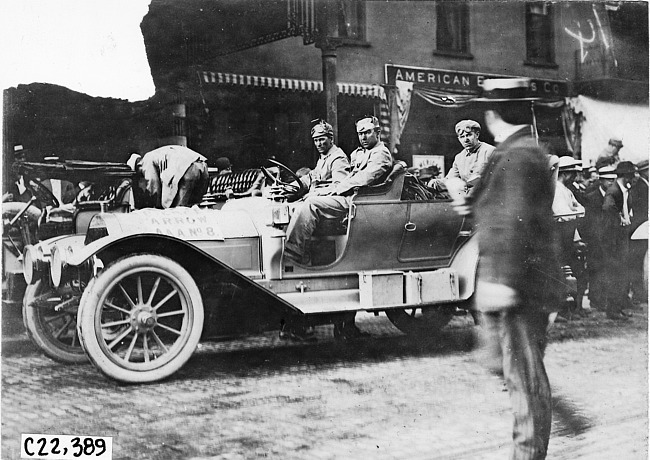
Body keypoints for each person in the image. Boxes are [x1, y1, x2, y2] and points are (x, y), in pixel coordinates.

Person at [450, 78, 560, 460]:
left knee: (523, 381)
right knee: (508, 368)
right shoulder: (516, 151)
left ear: (492, 114)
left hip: (517, 286)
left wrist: (505, 283)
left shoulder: (519, 154)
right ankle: (556, 418)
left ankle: (530, 452)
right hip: (510, 282)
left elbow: (517, 222)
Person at [284, 115, 392, 265]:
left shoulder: (381, 154)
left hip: (359, 201)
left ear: (378, 132)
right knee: (302, 203)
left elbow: (365, 178)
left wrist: (333, 190)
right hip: (352, 198)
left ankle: (291, 255)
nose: (363, 137)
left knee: (311, 204)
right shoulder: (359, 153)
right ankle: (298, 251)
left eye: (367, 132)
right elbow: (314, 175)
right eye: (360, 134)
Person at [601, 161, 639, 319]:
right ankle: (612, 310)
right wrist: (620, 218)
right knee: (614, 273)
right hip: (613, 239)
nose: (633, 178)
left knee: (620, 272)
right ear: (625, 176)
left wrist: (626, 216)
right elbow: (607, 207)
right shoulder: (614, 190)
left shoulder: (623, 189)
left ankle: (617, 307)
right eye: (631, 175)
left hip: (620, 237)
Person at [552, 156, 587, 317]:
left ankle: (572, 308)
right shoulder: (557, 189)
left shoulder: (567, 190)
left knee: (573, 272)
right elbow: (563, 214)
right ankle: (561, 310)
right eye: (573, 173)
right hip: (559, 237)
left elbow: (579, 208)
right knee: (560, 273)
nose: (575, 177)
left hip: (568, 236)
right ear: (565, 174)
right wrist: (575, 212)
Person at [581, 166, 617, 311]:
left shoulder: (614, 196)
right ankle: (595, 300)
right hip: (595, 239)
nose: (610, 183)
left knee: (607, 268)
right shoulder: (591, 197)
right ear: (601, 180)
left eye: (612, 180)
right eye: (608, 180)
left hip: (609, 238)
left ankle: (604, 300)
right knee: (596, 268)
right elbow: (589, 221)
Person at [127, 145, 209, 209]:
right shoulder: (157, 154)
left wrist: (156, 207)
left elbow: (153, 186)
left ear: (137, 166)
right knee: (193, 207)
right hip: (202, 165)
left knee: (178, 211)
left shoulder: (146, 160)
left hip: (188, 168)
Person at [428, 119, 495, 194]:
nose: (466, 140)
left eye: (469, 135)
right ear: (459, 139)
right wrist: (436, 183)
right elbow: (450, 179)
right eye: (462, 137)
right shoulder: (459, 158)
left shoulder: (490, 151)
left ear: (477, 134)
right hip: (468, 199)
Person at [298, 119, 351, 191]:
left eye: (321, 139)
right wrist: (290, 186)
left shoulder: (338, 158)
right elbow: (311, 177)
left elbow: (339, 186)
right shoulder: (324, 156)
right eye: (316, 140)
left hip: (329, 197)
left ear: (331, 139)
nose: (318, 144)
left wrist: (316, 193)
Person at [628, 159, 648, 305]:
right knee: (637, 260)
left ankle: (640, 291)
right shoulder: (640, 186)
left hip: (642, 226)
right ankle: (638, 292)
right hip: (639, 227)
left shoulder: (644, 184)